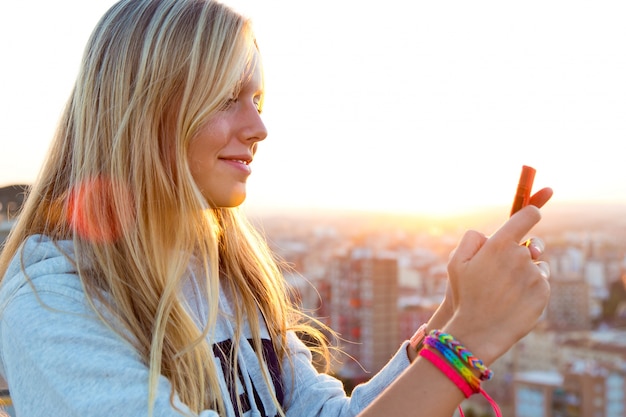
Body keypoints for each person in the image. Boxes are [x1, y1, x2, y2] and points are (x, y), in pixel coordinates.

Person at [0, 0, 554, 416]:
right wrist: (467, 345)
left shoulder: (229, 275)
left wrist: (449, 318)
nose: (259, 128)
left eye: (258, 101)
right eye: (226, 98)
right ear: (143, 107)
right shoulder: (57, 296)